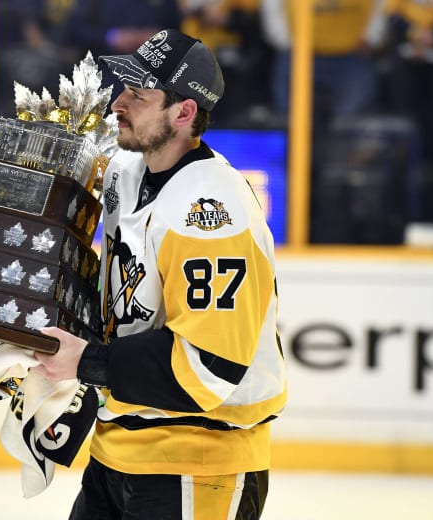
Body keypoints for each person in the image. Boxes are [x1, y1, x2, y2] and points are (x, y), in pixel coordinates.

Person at [33, 28, 287, 519]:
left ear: (184, 112)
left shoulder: (212, 212)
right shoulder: (127, 174)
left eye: (138, 95)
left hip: (199, 463)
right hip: (115, 451)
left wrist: (86, 362)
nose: (117, 105)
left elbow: (209, 367)